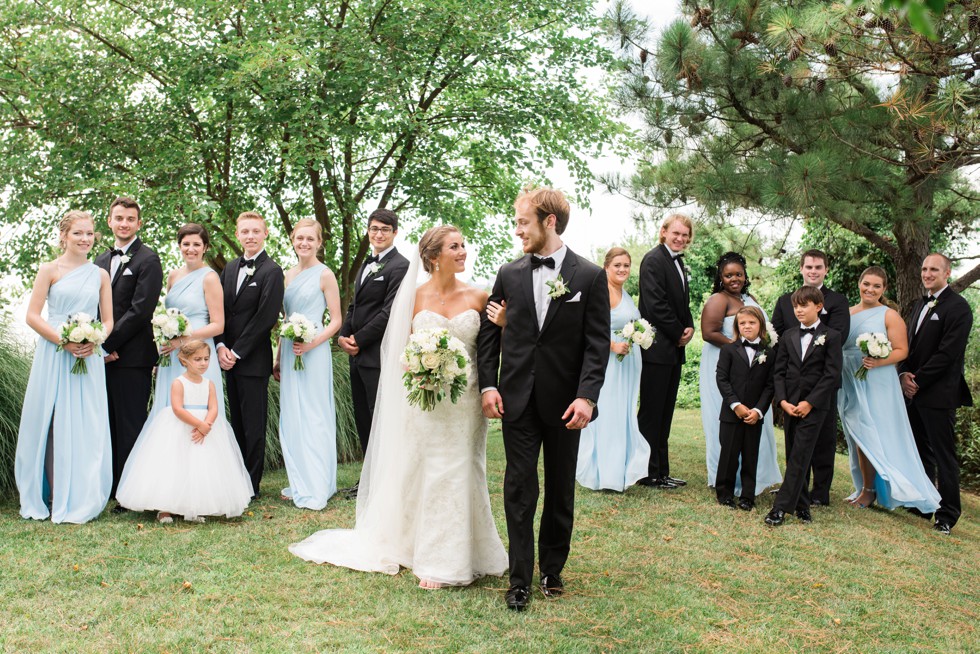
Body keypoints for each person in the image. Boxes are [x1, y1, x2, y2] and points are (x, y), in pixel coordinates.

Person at [291, 226, 507, 589]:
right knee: (426, 468)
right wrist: (419, 370)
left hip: (465, 401)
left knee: (462, 469)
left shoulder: (479, 297)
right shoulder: (414, 298)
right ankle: (422, 549)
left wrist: (504, 326)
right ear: (434, 256)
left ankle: (463, 551)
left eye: (464, 245)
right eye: (455, 246)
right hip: (424, 399)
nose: (463, 251)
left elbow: (490, 352)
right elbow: (400, 352)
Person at [478, 186, 610, 611]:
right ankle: (519, 580)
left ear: (548, 221)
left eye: (522, 222)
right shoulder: (509, 272)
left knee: (559, 489)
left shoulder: (589, 276)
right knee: (519, 487)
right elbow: (488, 336)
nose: (517, 230)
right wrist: (488, 384)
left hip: (565, 403)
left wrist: (587, 397)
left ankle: (552, 568)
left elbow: (596, 344)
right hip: (515, 398)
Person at [15, 210, 114, 523]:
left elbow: (109, 319)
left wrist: (96, 339)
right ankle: (54, 493)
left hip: (89, 355)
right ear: (64, 236)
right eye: (78, 234)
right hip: (55, 352)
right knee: (51, 419)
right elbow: (32, 316)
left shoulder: (100, 274)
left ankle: (82, 493)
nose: (85, 239)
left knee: (87, 421)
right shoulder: (49, 270)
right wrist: (64, 340)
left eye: (89, 234)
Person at [837, 267, 940, 514]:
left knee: (869, 432)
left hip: (876, 378)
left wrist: (878, 361)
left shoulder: (889, 315)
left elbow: (901, 350)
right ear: (859, 284)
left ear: (884, 290)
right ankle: (864, 485)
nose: (870, 290)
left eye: (876, 286)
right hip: (849, 376)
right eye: (866, 284)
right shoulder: (847, 313)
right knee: (855, 433)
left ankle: (870, 491)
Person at [116, 341, 252, 523]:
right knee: (174, 465)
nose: (203, 363)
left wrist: (207, 425)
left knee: (201, 466)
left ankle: (196, 506)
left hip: (206, 428)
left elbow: (213, 408)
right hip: (181, 426)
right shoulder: (179, 383)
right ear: (184, 360)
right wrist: (199, 424)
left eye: (206, 359)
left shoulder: (209, 384)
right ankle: (165, 508)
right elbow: (178, 409)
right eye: (197, 359)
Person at [93, 197, 163, 508]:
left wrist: (107, 344)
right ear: (109, 221)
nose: (124, 223)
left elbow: (140, 311)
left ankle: (131, 493)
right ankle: (109, 486)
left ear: (139, 223)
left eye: (130, 219)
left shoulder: (148, 260)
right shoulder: (98, 260)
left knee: (131, 425)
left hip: (132, 358)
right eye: (118, 218)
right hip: (99, 358)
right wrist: (95, 347)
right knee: (105, 422)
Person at [337, 209, 410, 496]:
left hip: (379, 355)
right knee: (364, 420)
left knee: (380, 419)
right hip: (356, 355)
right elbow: (354, 306)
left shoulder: (400, 266)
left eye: (384, 230)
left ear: (394, 232)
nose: (378, 234)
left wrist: (360, 339)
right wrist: (344, 334)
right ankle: (368, 481)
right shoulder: (366, 265)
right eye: (373, 229)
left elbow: (390, 312)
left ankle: (383, 483)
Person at [899, 254, 974, 535]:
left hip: (938, 393)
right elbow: (910, 343)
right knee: (920, 451)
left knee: (944, 455)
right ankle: (923, 503)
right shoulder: (920, 303)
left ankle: (948, 513)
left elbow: (948, 353)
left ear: (947, 272)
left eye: (934, 269)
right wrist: (904, 373)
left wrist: (919, 380)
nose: (927, 274)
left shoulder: (959, 308)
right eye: (924, 269)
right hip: (913, 390)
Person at [698, 252, 781, 496]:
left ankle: (753, 478)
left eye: (738, 274)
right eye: (728, 275)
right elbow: (709, 333)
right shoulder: (718, 299)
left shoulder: (749, 298)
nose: (734, 278)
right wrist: (739, 349)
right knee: (726, 417)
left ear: (745, 276)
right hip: (726, 362)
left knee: (755, 417)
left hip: (753, 367)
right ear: (721, 278)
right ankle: (726, 478)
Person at [771, 249, 848, 506]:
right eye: (808, 267)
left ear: (826, 270)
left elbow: (838, 336)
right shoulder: (785, 300)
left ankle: (820, 491)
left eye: (818, 267)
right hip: (793, 379)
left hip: (822, 381)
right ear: (801, 269)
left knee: (824, 439)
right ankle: (795, 487)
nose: (813, 271)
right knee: (794, 439)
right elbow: (778, 335)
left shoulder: (836, 301)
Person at [274, 219, 343, 510]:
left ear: (319, 243)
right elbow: (285, 319)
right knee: (294, 413)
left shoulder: (325, 275)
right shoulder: (287, 275)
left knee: (315, 412)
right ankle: (301, 477)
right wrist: (278, 355)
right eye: (299, 238)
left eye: (310, 239)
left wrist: (313, 343)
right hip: (291, 349)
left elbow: (337, 321)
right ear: (293, 240)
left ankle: (319, 482)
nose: (304, 243)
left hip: (314, 350)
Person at [216, 211, 285, 498]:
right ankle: (236, 479)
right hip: (226, 359)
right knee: (238, 425)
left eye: (256, 231)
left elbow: (266, 316)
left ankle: (252, 485)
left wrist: (237, 351)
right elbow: (218, 309)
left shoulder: (272, 271)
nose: (250, 236)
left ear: (265, 233)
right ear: (237, 234)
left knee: (254, 425)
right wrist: (220, 345)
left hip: (252, 361)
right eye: (245, 231)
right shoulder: (229, 269)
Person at [765, 286, 843, 526]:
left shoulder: (831, 336)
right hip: (790, 405)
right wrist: (783, 402)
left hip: (815, 406)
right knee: (794, 454)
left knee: (800, 454)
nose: (798, 310)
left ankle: (780, 508)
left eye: (804, 305)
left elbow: (831, 375)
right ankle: (802, 505)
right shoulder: (788, 336)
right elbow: (779, 372)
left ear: (818, 306)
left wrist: (810, 402)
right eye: (796, 306)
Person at [637, 214, 695, 489]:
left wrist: (690, 327)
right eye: (676, 233)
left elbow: (683, 303)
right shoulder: (653, 260)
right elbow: (656, 304)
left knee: (666, 413)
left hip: (673, 350)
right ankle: (647, 473)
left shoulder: (679, 263)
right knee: (652, 413)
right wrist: (677, 332)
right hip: (656, 348)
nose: (681, 238)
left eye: (685, 235)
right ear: (663, 232)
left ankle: (662, 471)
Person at [152, 223, 225, 418]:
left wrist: (183, 339)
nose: (190, 249)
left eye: (196, 244)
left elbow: (218, 325)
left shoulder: (210, 278)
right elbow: (170, 316)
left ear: (205, 248)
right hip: (172, 351)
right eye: (186, 244)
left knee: (196, 405)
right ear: (179, 246)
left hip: (198, 349)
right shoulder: (173, 276)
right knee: (171, 407)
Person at [714, 306, 776, 511]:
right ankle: (725, 493)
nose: (747, 326)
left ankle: (748, 495)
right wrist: (736, 405)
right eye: (743, 323)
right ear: (737, 327)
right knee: (729, 454)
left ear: (760, 325)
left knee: (751, 455)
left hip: (754, 415)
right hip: (732, 414)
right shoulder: (729, 350)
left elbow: (770, 386)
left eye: (752, 322)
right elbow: (722, 379)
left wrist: (758, 411)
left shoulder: (769, 352)